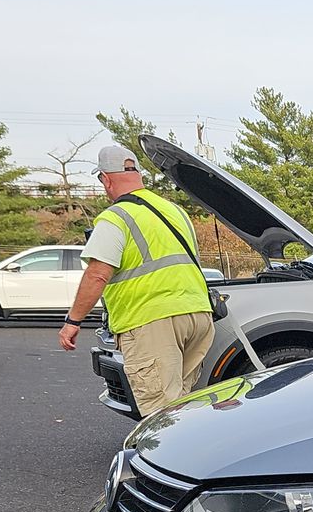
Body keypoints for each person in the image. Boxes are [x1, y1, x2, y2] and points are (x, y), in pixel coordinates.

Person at [58, 144, 214, 416]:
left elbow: (97, 274)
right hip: (198, 316)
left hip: (153, 320)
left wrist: (73, 322)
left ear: (105, 179)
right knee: (182, 408)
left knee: (161, 414)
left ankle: (161, 458)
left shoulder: (115, 217)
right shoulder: (174, 210)